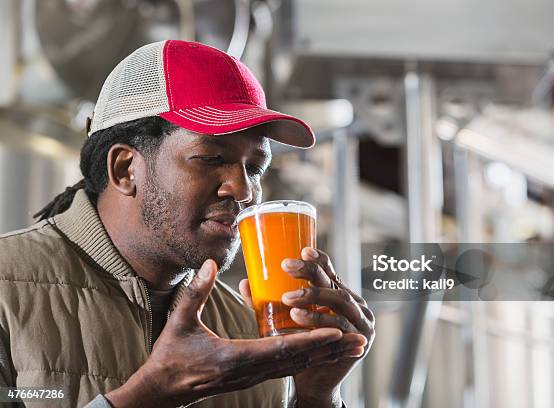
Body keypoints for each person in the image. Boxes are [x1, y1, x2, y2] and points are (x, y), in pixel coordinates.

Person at [0, 40, 375, 407]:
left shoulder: (250, 328)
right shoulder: (6, 287)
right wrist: (147, 397)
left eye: (256, 168)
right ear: (125, 169)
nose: (244, 191)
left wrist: (316, 396)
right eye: (211, 158)